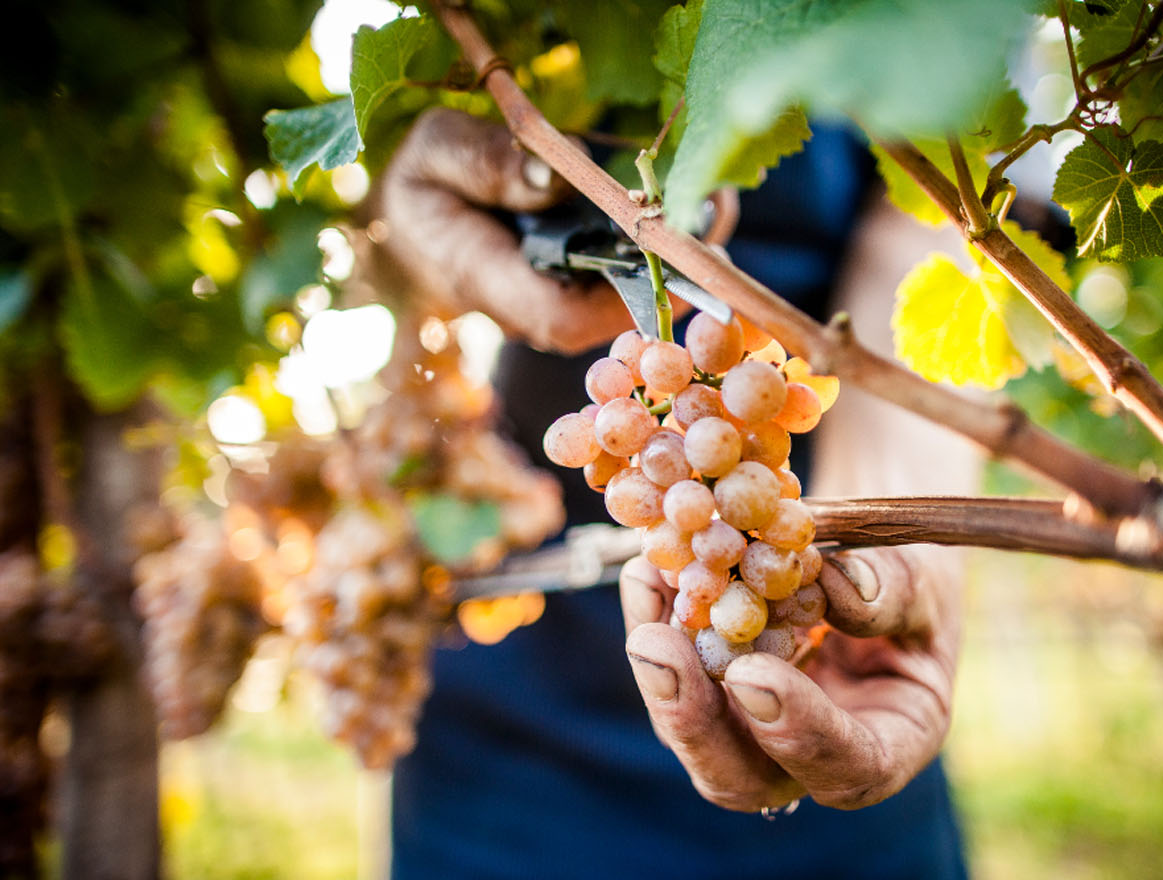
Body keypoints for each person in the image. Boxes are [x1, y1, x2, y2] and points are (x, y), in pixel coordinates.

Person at [357, 107, 982, 878]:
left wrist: (895, 528)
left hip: (823, 638)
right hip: (507, 687)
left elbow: (942, 226)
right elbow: (366, 219)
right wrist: (417, 222)